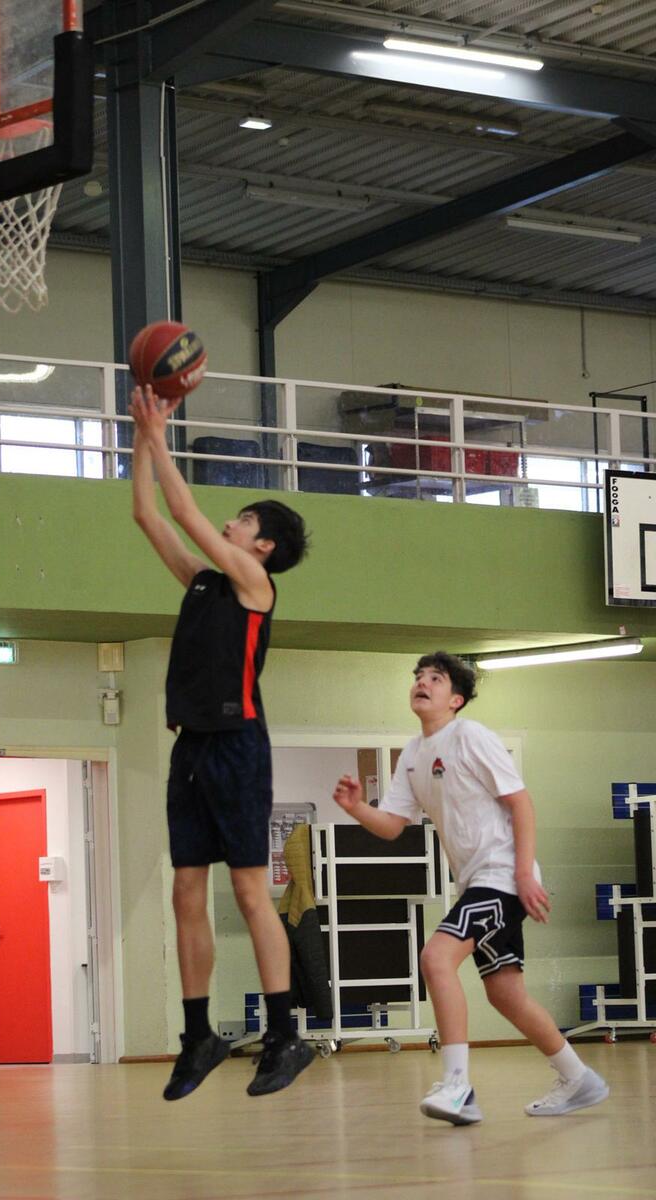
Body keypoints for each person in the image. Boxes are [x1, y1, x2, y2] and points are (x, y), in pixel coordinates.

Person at [130, 383, 315, 1100]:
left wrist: (159, 431)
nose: (230, 524)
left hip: (239, 744)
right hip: (193, 748)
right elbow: (149, 515)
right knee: (186, 888)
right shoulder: (205, 583)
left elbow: (183, 510)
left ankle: (284, 1033)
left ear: (262, 546)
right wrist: (143, 438)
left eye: (242, 519)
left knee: (246, 888)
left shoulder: (254, 583)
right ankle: (198, 1035)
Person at [333, 651, 609, 1125]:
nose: (422, 682)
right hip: (478, 884)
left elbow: (521, 803)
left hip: (502, 878)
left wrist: (524, 874)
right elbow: (394, 825)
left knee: (436, 958)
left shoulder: (470, 736)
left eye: (435, 678)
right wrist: (357, 808)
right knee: (505, 994)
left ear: (456, 699)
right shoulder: (413, 755)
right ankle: (578, 1077)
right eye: (418, 676)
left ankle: (458, 1085)